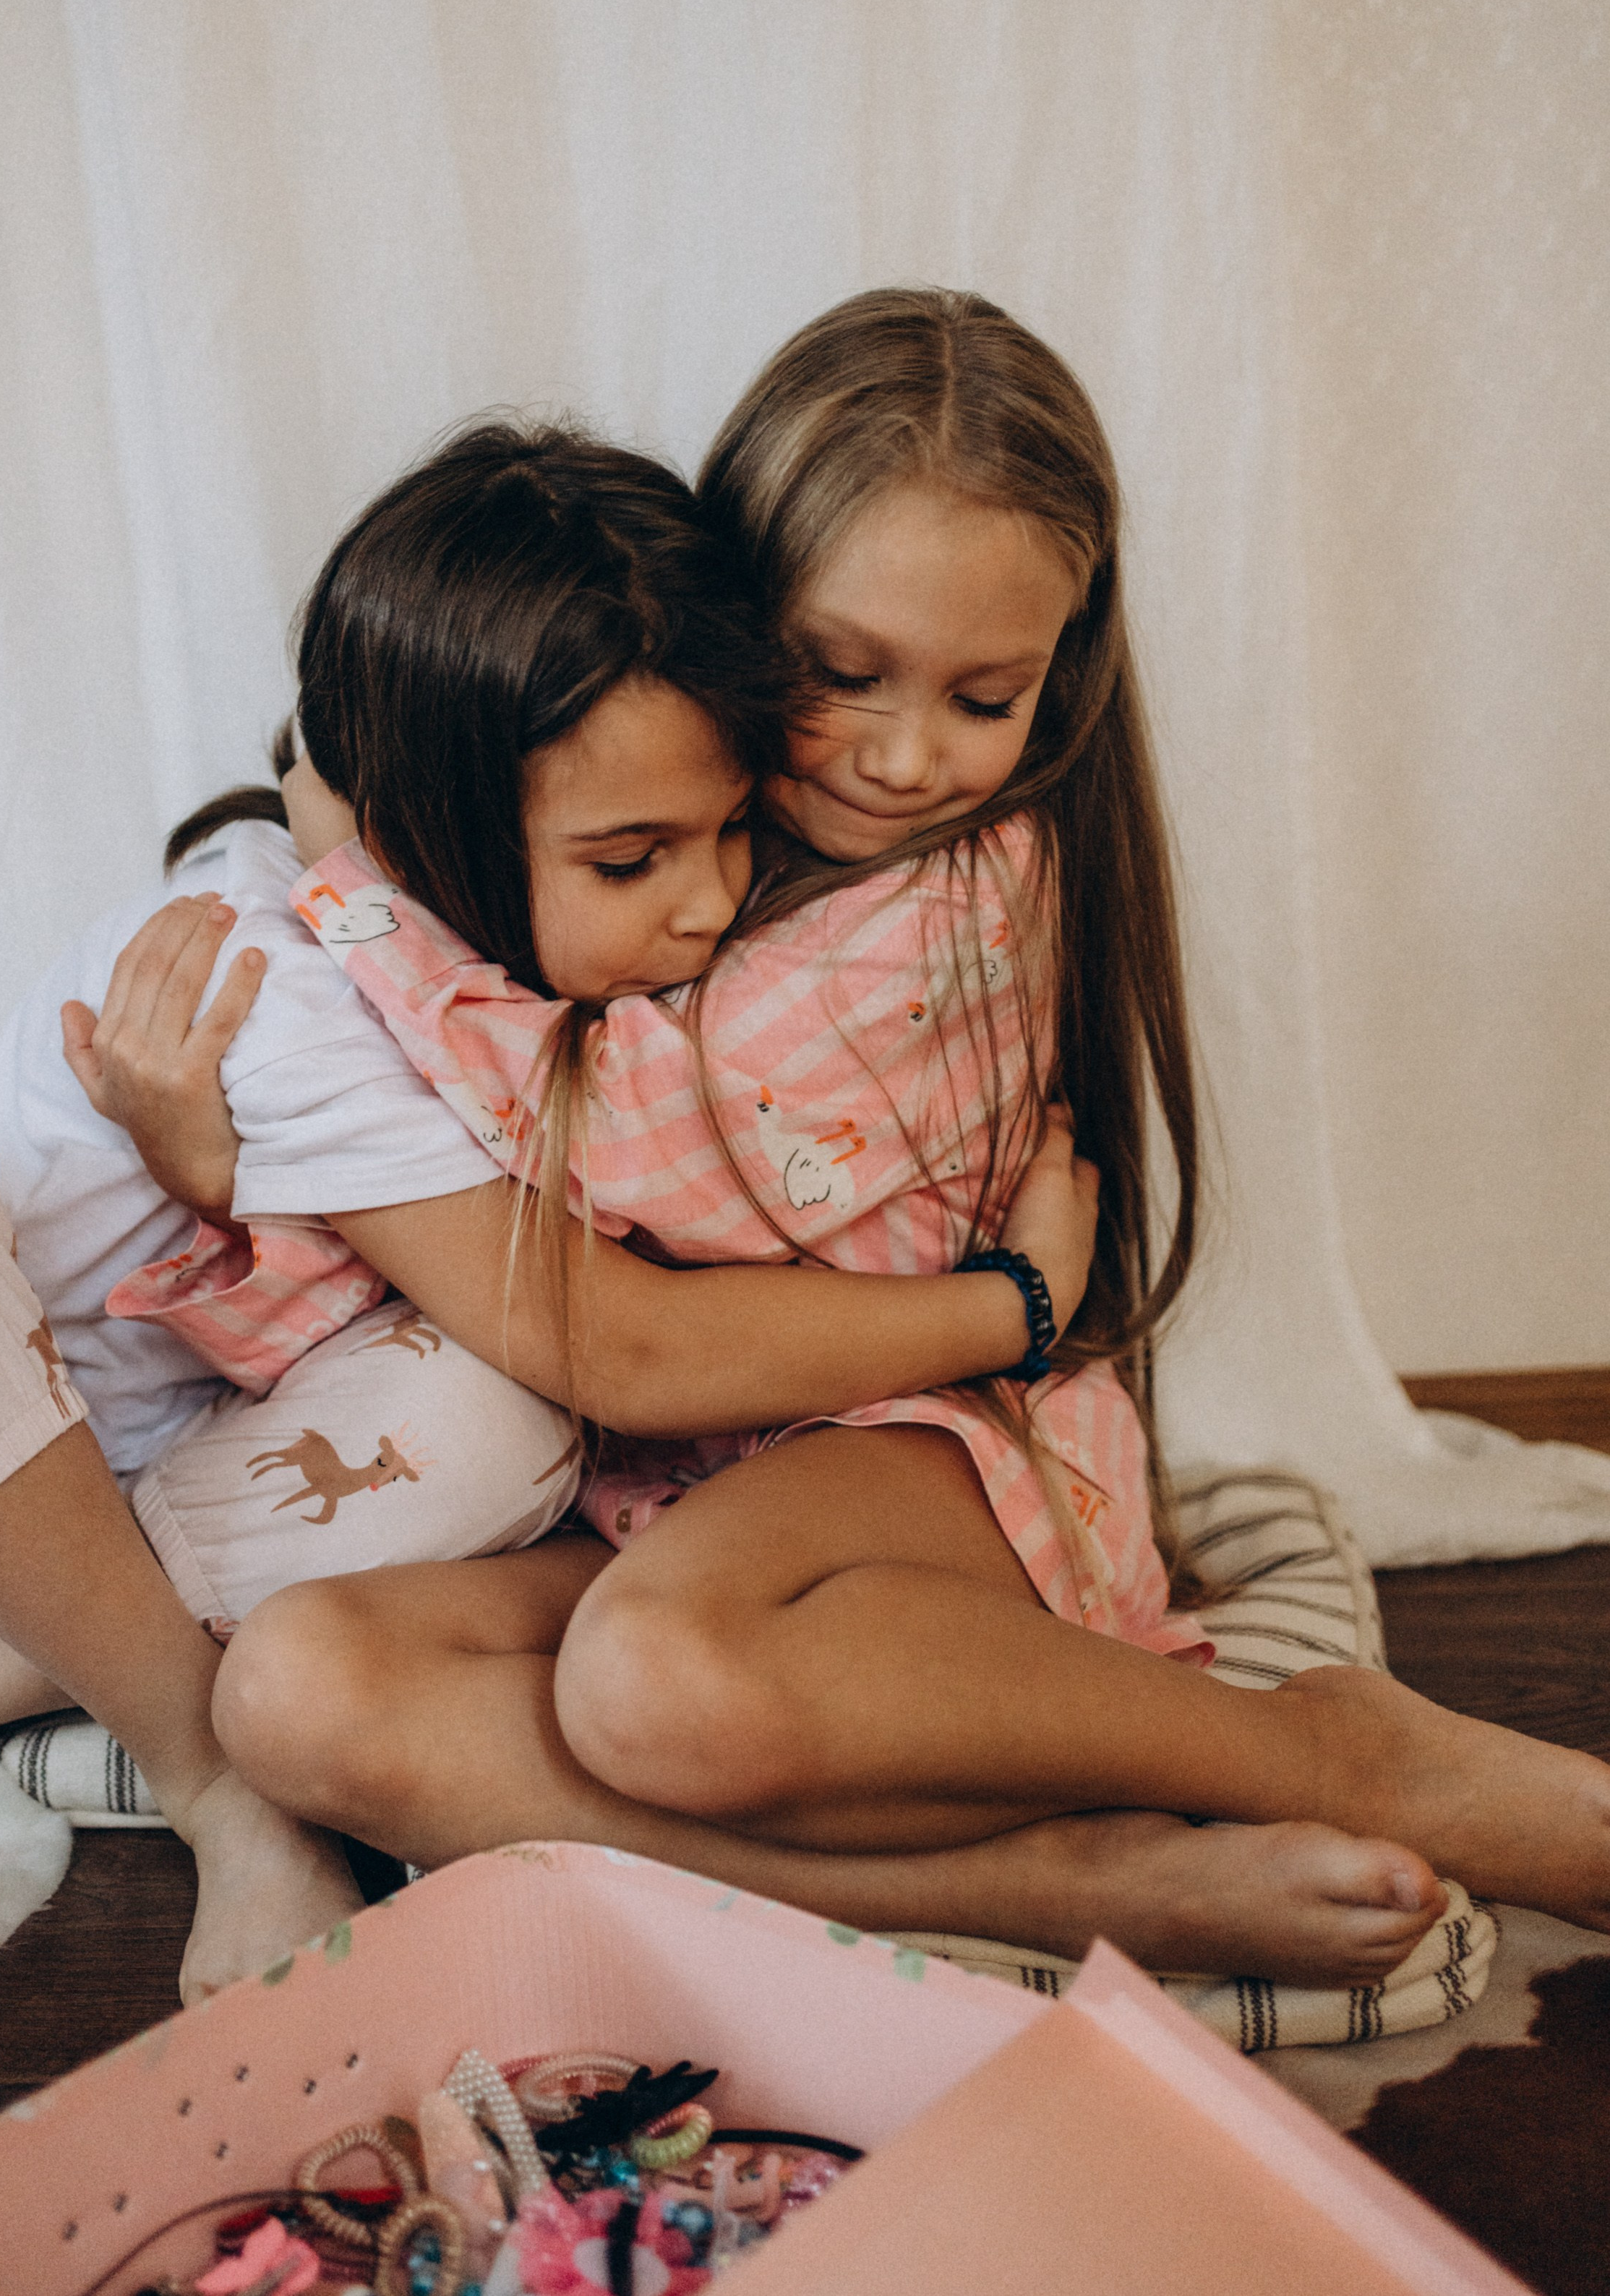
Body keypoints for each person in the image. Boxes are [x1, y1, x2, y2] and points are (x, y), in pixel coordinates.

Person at [184, 295, 1610, 1982]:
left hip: (918, 1444)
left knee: (652, 1681)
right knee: (294, 1684)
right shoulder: (654, 828)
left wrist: (344, 872)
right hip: (677, 1491)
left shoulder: (959, 895)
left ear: (1057, 671)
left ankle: (1321, 1749)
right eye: (838, 672)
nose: (905, 751)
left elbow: (622, 1134)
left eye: (984, 693)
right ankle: (1076, 1884)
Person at [0, 421, 1082, 2002]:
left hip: (202, 1489)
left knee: (496, 1415)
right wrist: (1017, 1307)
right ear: (425, 828)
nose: (712, 903)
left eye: (733, 832)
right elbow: (623, 1348)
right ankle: (138, 1736)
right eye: (634, 856)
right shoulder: (288, 989)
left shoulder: (503, 993)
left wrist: (227, 1189)